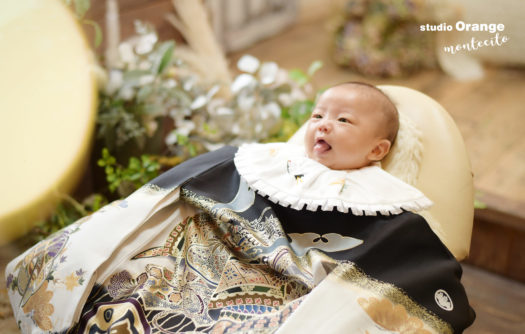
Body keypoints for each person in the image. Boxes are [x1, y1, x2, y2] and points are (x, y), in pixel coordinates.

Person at [6, 82, 475, 333]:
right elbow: (202, 182)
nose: (322, 126)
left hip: (289, 276)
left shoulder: (383, 198)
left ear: (378, 150)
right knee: (117, 274)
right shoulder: (268, 160)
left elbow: (399, 252)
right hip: (213, 250)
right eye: (317, 115)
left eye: (343, 120)